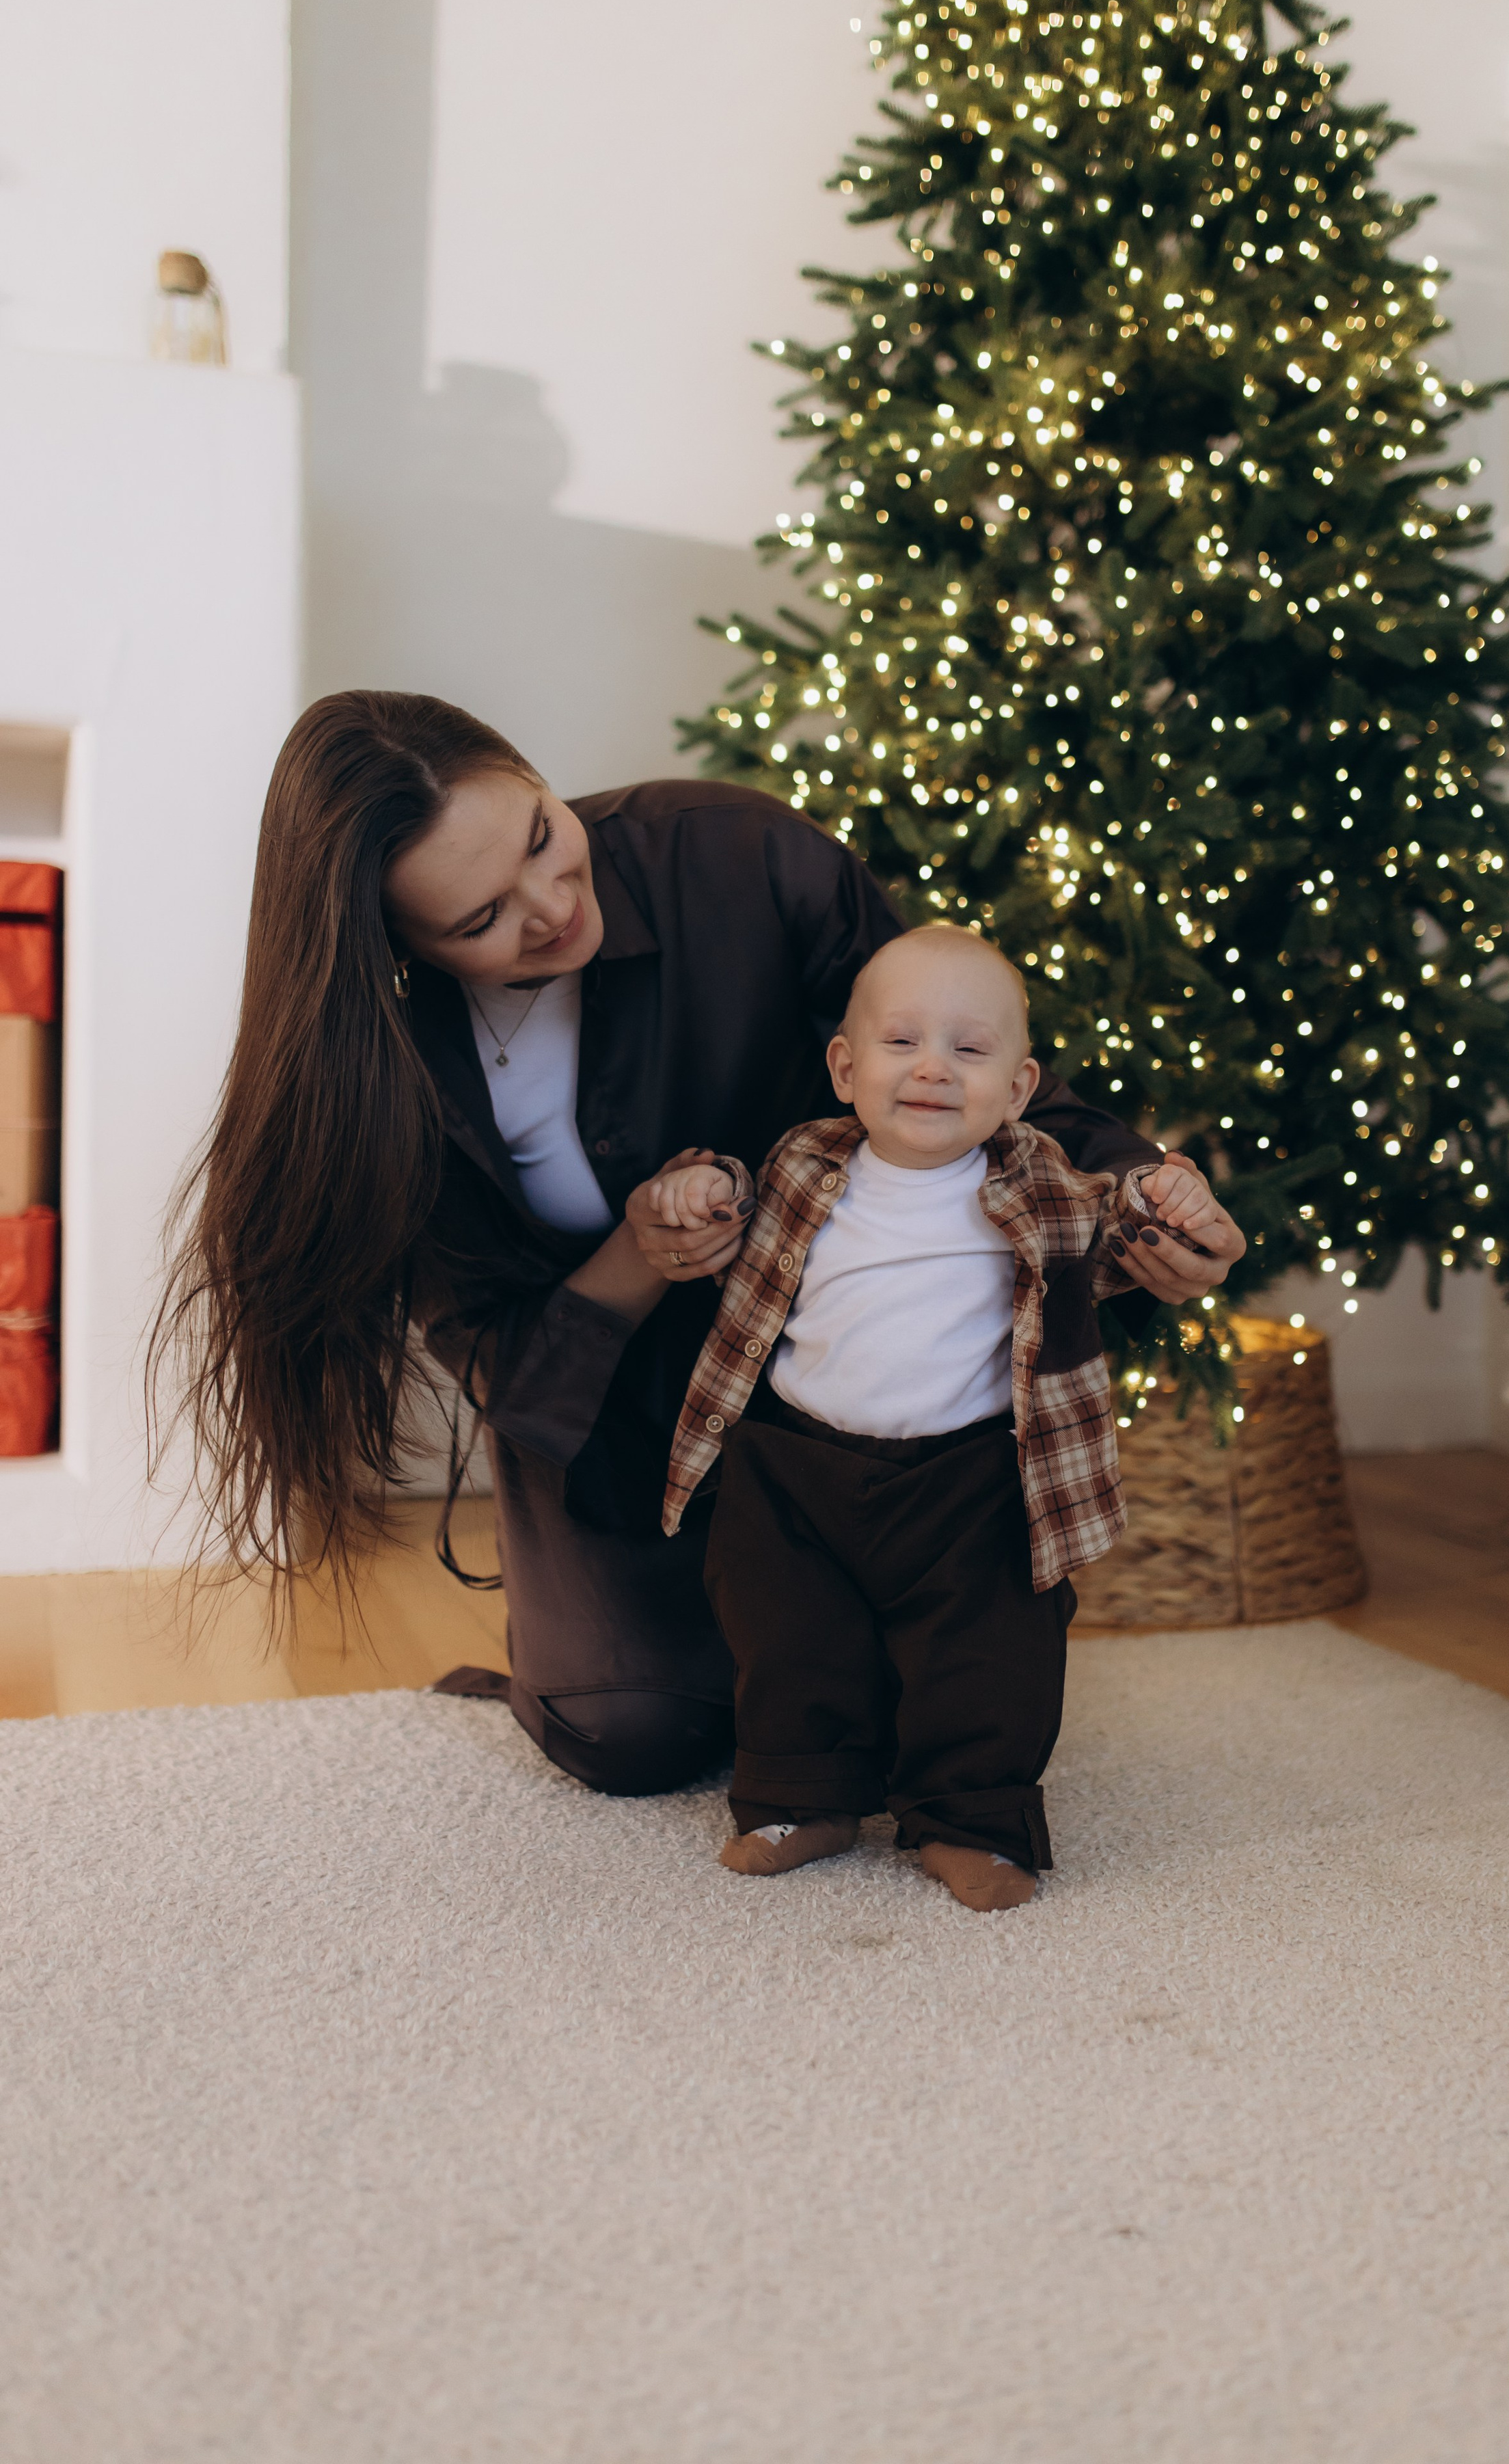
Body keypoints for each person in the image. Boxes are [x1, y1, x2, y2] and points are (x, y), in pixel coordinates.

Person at [152, 691, 1245, 1801]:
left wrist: (1149, 1200)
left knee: (928, 1692)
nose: (552, 906)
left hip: (836, 1395)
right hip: (614, 1432)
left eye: (542, 835)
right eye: (481, 921)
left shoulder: (738, 856)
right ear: (402, 949)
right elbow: (510, 1374)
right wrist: (641, 1255)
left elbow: (962, 1069)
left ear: (534, 773)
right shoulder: (391, 1075)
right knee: (636, 1735)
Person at [655, 925, 1234, 1910]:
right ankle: (805, 1797)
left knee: (994, 1650)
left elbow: (1122, 1226)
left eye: (969, 1051)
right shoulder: (805, 1163)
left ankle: (973, 1818)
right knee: (789, 1634)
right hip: (799, 1464)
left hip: (973, 1478)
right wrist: (698, 1190)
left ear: (1015, 1088)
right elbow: (734, 1219)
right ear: (845, 1067)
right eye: (901, 1044)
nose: (932, 1070)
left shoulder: (1040, 1181)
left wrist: (1167, 1200)